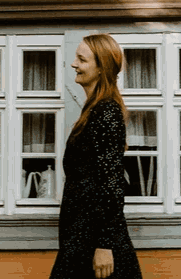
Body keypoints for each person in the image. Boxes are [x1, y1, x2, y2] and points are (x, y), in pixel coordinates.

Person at [50, 34, 142, 279]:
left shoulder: (106, 112)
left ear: (102, 68)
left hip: (93, 241)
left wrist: (104, 244)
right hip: (81, 236)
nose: (74, 64)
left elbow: (111, 181)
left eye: (82, 60)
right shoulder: (94, 110)